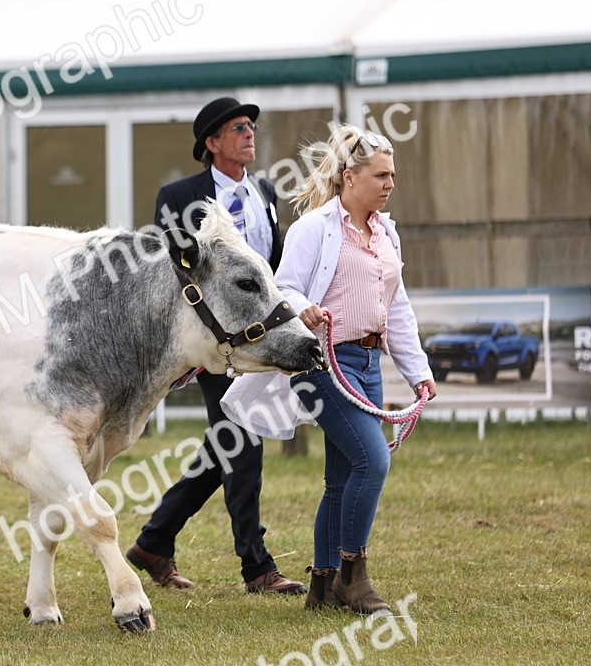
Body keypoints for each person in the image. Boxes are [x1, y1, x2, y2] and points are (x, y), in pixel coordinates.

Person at [223, 125, 437, 615]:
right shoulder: (314, 229)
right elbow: (285, 288)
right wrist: (304, 310)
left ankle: (321, 585)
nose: (389, 184)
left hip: (368, 362)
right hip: (323, 364)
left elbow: (396, 307)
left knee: (341, 479)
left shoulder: (386, 233)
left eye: (393, 176)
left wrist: (418, 369)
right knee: (372, 461)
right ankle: (352, 577)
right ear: (349, 178)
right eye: (380, 175)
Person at [125, 97, 305, 595]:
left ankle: (154, 541)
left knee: (227, 445)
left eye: (251, 127)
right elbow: (174, 271)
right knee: (242, 446)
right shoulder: (179, 195)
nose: (250, 134)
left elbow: (271, 264)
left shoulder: (265, 191)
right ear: (212, 143)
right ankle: (257, 568)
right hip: (215, 343)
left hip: (260, 340)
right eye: (238, 128)